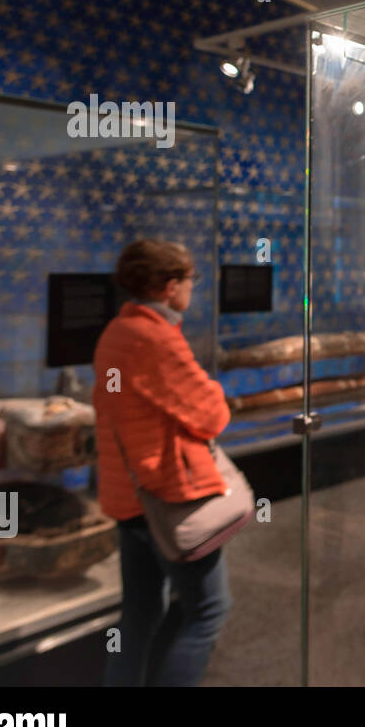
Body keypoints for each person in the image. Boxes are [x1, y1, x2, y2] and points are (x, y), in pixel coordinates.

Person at [94, 239, 232, 686]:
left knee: (139, 610)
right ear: (171, 287)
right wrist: (211, 390)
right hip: (166, 496)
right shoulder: (156, 340)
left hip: (127, 496)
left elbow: (122, 405)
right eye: (190, 280)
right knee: (208, 611)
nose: (192, 288)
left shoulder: (116, 332)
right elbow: (212, 415)